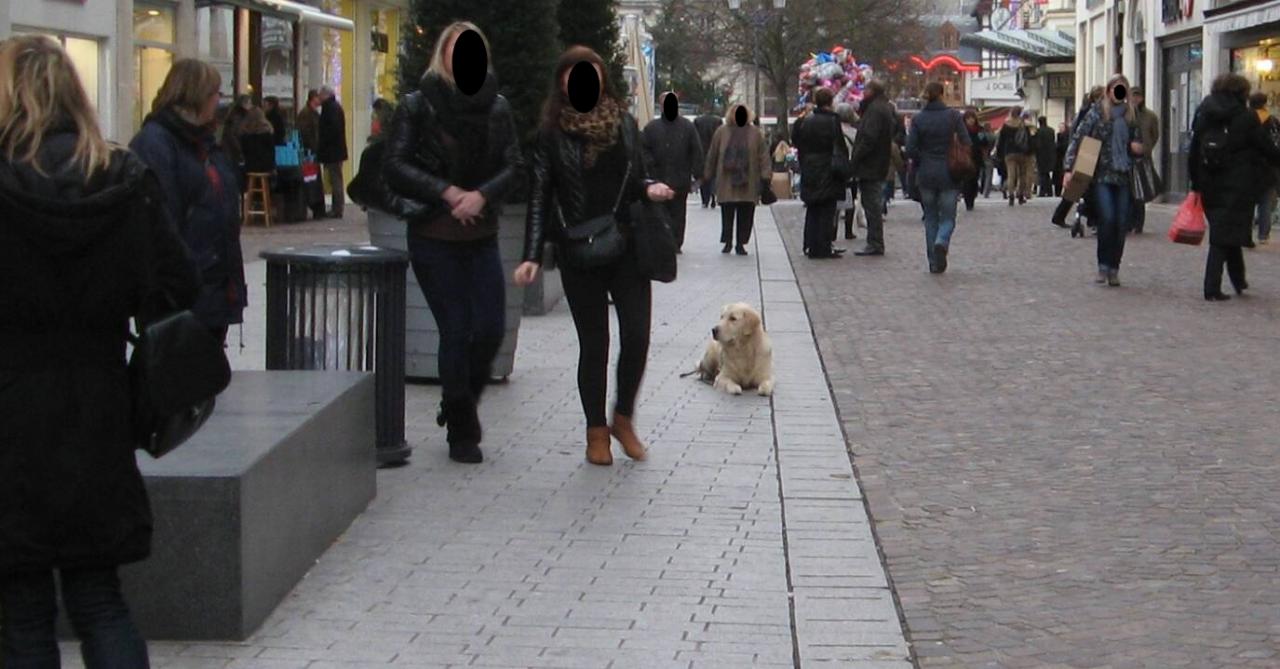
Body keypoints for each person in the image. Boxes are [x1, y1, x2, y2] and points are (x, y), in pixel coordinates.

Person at [0, 35, 198, 668]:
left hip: (9, 417)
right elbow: (179, 284)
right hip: (100, 407)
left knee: (23, 609)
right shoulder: (122, 177)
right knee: (99, 597)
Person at [513, 46, 675, 466]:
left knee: (637, 334)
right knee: (595, 344)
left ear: (601, 78)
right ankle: (595, 432)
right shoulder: (551, 134)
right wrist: (531, 254)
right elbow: (539, 196)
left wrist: (650, 188)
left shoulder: (622, 123)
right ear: (562, 82)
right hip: (577, 249)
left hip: (625, 245)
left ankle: (623, 417)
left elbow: (635, 176)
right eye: (572, 75)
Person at [383, 22, 523, 463]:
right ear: (443, 56)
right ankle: (462, 429)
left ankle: (457, 399)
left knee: (490, 329)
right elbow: (396, 163)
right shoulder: (417, 105)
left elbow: (515, 165)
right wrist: (447, 193)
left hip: (480, 235)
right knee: (455, 329)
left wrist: (482, 195)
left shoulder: (497, 108)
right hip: (434, 235)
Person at [131, 59, 247, 341]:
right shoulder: (157, 144)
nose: (219, 101)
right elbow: (162, 220)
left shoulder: (205, 143)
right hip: (181, 295)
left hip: (212, 285)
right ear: (197, 95)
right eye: (215, 93)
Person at [1190, 74, 1280, 301]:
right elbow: (1265, 147)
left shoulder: (1204, 112)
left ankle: (1239, 279)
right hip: (1238, 182)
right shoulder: (1246, 117)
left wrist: (1195, 182)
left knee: (1226, 229)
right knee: (1223, 235)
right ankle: (1211, 287)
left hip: (1209, 181)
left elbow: (1194, 148)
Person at [1064, 74, 1143, 287]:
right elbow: (1079, 138)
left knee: (1120, 223)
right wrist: (1069, 168)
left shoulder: (1131, 115)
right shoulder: (1097, 113)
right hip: (1102, 174)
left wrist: (1137, 147)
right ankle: (1103, 266)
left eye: (1122, 89)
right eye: (1115, 88)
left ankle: (1115, 267)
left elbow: (1139, 142)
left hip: (1124, 175)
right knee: (1107, 219)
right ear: (1109, 91)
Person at [908, 82, 971, 274]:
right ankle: (941, 241)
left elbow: (910, 149)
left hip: (926, 173)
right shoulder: (953, 116)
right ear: (942, 94)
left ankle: (933, 262)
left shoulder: (918, 119)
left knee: (930, 218)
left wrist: (923, 159)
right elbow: (966, 141)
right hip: (950, 173)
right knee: (948, 217)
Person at [704, 101, 769, 255]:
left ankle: (741, 243)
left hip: (749, 180)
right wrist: (707, 173)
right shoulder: (721, 132)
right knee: (727, 212)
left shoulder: (755, 133)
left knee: (746, 214)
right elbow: (713, 153)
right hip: (727, 180)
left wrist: (766, 176)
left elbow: (763, 156)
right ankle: (727, 241)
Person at [643, 91, 704, 252]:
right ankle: (664, 241)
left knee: (678, 214)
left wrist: (698, 174)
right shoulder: (651, 128)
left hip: (680, 179)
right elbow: (643, 150)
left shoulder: (687, 127)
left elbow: (695, 150)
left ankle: (676, 242)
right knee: (660, 213)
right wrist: (649, 168)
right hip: (658, 178)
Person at [792, 87, 847, 259]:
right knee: (827, 209)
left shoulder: (804, 121)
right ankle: (824, 246)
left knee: (813, 208)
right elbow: (839, 146)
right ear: (830, 102)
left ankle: (810, 244)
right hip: (827, 167)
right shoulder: (832, 120)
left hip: (810, 167)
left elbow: (798, 143)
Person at [849, 79, 894, 255]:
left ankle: (875, 242)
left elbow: (869, 137)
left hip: (871, 164)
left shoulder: (875, 110)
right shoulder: (881, 107)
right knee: (871, 202)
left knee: (871, 203)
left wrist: (857, 157)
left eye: (866, 89)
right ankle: (875, 241)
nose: (863, 92)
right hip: (877, 162)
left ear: (872, 91)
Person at [1249, 92, 1280, 245]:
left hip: (1248, 167)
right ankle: (1263, 235)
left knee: (1247, 201)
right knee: (1265, 202)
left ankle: (1246, 231)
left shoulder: (1245, 119)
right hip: (1268, 167)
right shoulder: (1273, 121)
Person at [1129, 87, 1160, 233]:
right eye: (1132, 96)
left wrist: (1147, 148)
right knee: (1129, 192)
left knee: (1141, 192)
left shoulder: (1150, 116)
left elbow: (1155, 135)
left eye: (1137, 96)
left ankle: (1138, 223)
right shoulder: (1126, 114)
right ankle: (1129, 221)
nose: (1135, 99)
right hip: (1129, 157)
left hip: (1143, 158)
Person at [316, 85, 348, 218]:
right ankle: (337, 208)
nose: (319, 98)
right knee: (335, 179)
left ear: (325, 95)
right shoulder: (333, 107)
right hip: (335, 150)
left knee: (335, 180)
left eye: (320, 95)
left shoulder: (330, 108)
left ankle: (337, 209)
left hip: (333, 151)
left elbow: (331, 130)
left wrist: (324, 144)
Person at [998, 107, 1035, 205]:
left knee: (1011, 175)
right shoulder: (1024, 124)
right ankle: (1020, 194)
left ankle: (1011, 195)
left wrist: (1000, 154)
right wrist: (1030, 151)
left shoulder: (1006, 125)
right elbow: (1029, 139)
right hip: (1022, 153)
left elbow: (1001, 141)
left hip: (1009, 153)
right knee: (1022, 175)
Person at [961, 110, 990, 211]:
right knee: (966, 180)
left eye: (972, 118)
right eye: (968, 119)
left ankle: (972, 197)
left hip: (976, 158)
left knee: (974, 179)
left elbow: (985, 143)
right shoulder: (961, 130)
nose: (971, 121)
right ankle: (967, 200)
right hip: (964, 158)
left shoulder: (979, 130)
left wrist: (983, 140)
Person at [694, 109, 723, 207]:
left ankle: (705, 200)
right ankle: (713, 196)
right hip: (715, 151)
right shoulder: (718, 121)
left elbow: (694, 137)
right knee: (714, 176)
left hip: (702, 152)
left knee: (704, 177)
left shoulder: (698, 121)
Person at [238, 107, 277, 176]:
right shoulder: (267, 132)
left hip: (250, 166)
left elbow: (244, 152)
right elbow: (272, 152)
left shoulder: (245, 135)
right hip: (266, 167)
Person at [220, 93, 251, 169]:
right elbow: (233, 134)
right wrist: (240, 149)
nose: (250, 106)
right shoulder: (238, 116)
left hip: (230, 148)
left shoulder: (235, 114)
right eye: (249, 103)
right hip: (232, 149)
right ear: (244, 104)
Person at [1036, 116, 1057, 198]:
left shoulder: (1039, 131)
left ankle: (1042, 191)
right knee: (1047, 173)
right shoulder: (1051, 130)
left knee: (1042, 174)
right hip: (1050, 154)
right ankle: (1049, 191)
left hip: (1041, 155)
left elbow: (1038, 144)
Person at [296, 89, 321, 154]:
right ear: (314, 98)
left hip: (314, 149)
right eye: (319, 97)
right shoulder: (306, 113)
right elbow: (304, 131)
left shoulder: (315, 113)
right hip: (308, 150)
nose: (321, 100)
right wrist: (312, 146)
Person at [1053, 121, 1070, 198]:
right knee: (1058, 175)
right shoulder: (1059, 135)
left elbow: (1063, 146)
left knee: (1061, 174)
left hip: (1063, 158)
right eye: (1059, 127)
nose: (1060, 129)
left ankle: (1061, 191)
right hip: (1058, 159)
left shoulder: (1066, 136)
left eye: (1061, 127)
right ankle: (1058, 191)